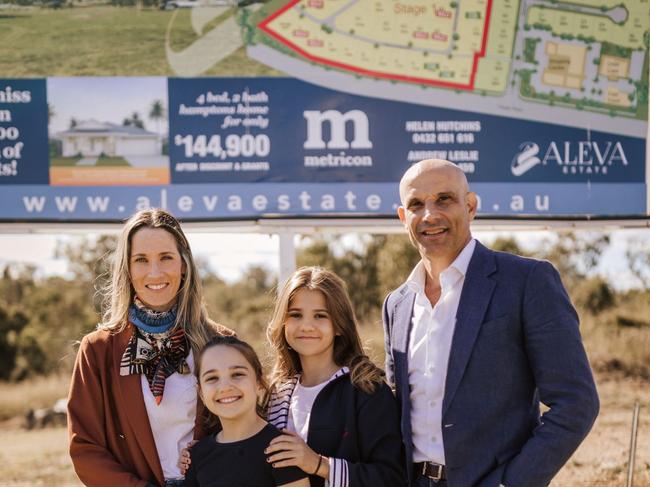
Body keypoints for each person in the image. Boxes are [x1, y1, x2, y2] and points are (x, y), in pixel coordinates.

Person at [382, 159, 600, 487]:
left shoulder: (527, 281)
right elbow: (394, 413)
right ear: (403, 217)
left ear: (470, 206)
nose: (429, 215)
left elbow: (576, 403)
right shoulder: (396, 304)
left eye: (444, 199)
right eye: (416, 204)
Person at [68, 209, 232, 487]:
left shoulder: (221, 343)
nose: (154, 272)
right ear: (128, 269)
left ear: (184, 264)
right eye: (141, 260)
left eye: (166, 257)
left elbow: (244, 430)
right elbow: (85, 449)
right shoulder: (98, 350)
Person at [264, 266, 405, 487]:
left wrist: (318, 464)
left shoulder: (368, 391)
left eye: (320, 315)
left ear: (339, 325)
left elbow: (391, 478)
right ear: (283, 323)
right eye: (295, 315)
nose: (306, 326)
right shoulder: (274, 394)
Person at [185, 334, 309, 487]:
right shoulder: (196, 456)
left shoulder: (282, 449)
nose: (225, 387)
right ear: (201, 393)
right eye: (212, 378)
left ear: (259, 382)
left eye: (237, 374)